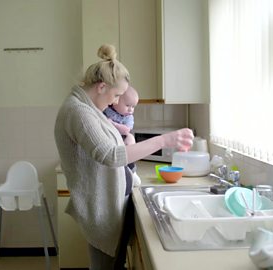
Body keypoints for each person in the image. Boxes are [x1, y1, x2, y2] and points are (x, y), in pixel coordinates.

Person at [54, 44, 193, 270]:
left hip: (107, 203)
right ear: (101, 87)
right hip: (100, 207)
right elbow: (111, 156)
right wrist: (165, 140)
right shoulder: (78, 112)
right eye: (116, 95)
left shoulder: (87, 108)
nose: (114, 102)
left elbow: (110, 146)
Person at [103, 86, 141, 187]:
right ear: (116, 99)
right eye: (128, 105)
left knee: (128, 158)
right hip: (110, 144)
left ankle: (133, 173)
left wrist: (113, 124)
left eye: (133, 107)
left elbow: (126, 130)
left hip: (123, 139)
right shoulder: (106, 109)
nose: (130, 109)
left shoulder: (128, 117)